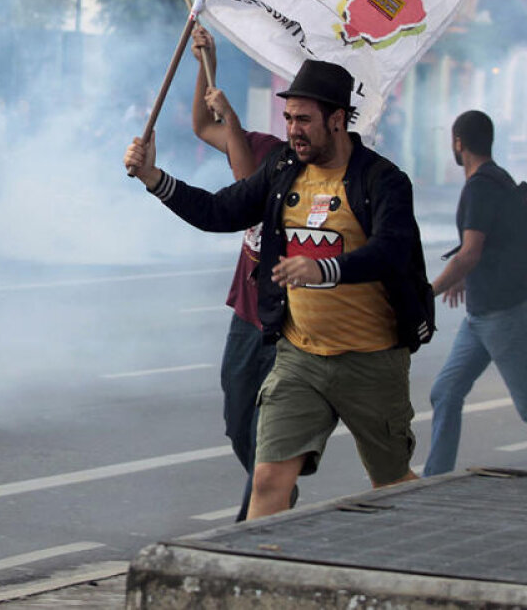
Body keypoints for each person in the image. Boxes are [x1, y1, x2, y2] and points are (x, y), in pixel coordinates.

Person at [124, 60, 425, 519]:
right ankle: (258, 576)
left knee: (392, 481)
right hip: (300, 357)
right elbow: (220, 212)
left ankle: (430, 561)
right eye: (288, 119)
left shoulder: (381, 180)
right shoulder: (284, 168)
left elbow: (391, 251)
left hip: (371, 360)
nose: (293, 131)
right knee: (268, 479)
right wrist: (154, 179)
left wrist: (323, 271)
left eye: (304, 120)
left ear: (337, 120)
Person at [423, 111, 527, 476]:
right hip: (484, 314)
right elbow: (495, 244)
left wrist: (429, 291)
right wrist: (463, 277)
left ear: (458, 142)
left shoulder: (479, 186)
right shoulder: (498, 178)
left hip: (503, 315)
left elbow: (471, 251)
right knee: (445, 392)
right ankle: (435, 477)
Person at [189, 25, 286, 521]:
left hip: (280, 323)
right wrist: (207, 63)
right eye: (291, 113)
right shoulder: (264, 144)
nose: (295, 124)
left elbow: (247, 186)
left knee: (266, 431)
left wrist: (232, 118)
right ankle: (277, 492)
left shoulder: (295, 171)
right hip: (243, 315)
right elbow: (202, 128)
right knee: (236, 420)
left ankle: (263, 506)